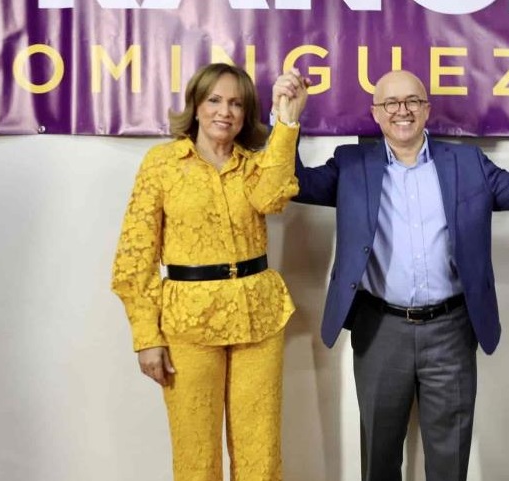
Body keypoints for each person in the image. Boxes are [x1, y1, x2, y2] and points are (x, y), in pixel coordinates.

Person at [272, 69, 509, 481]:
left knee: (449, 460)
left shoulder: (467, 163)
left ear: (427, 109)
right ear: (375, 113)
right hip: (379, 329)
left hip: (451, 330)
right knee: (379, 458)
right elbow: (289, 183)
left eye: (412, 100)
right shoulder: (353, 164)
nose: (402, 110)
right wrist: (286, 118)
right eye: (390, 103)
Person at [111, 63, 306, 481]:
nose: (225, 111)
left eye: (236, 103)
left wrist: (287, 118)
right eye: (214, 100)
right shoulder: (162, 164)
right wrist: (147, 337)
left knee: (260, 451)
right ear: (196, 106)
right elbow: (134, 255)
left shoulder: (253, 165)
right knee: (196, 454)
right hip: (188, 324)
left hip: (258, 319)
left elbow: (273, 199)